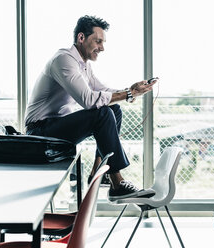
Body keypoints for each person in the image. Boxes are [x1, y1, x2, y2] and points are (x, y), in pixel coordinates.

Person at [24, 15, 157, 201]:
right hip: (39, 132)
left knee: (114, 109)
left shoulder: (83, 66)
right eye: (98, 41)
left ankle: (98, 170)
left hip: (56, 126)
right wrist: (128, 94)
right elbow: (88, 100)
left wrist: (130, 91)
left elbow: (102, 91)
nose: (102, 48)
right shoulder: (64, 60)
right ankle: (117, 183)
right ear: (81, 38)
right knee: (102, 113)